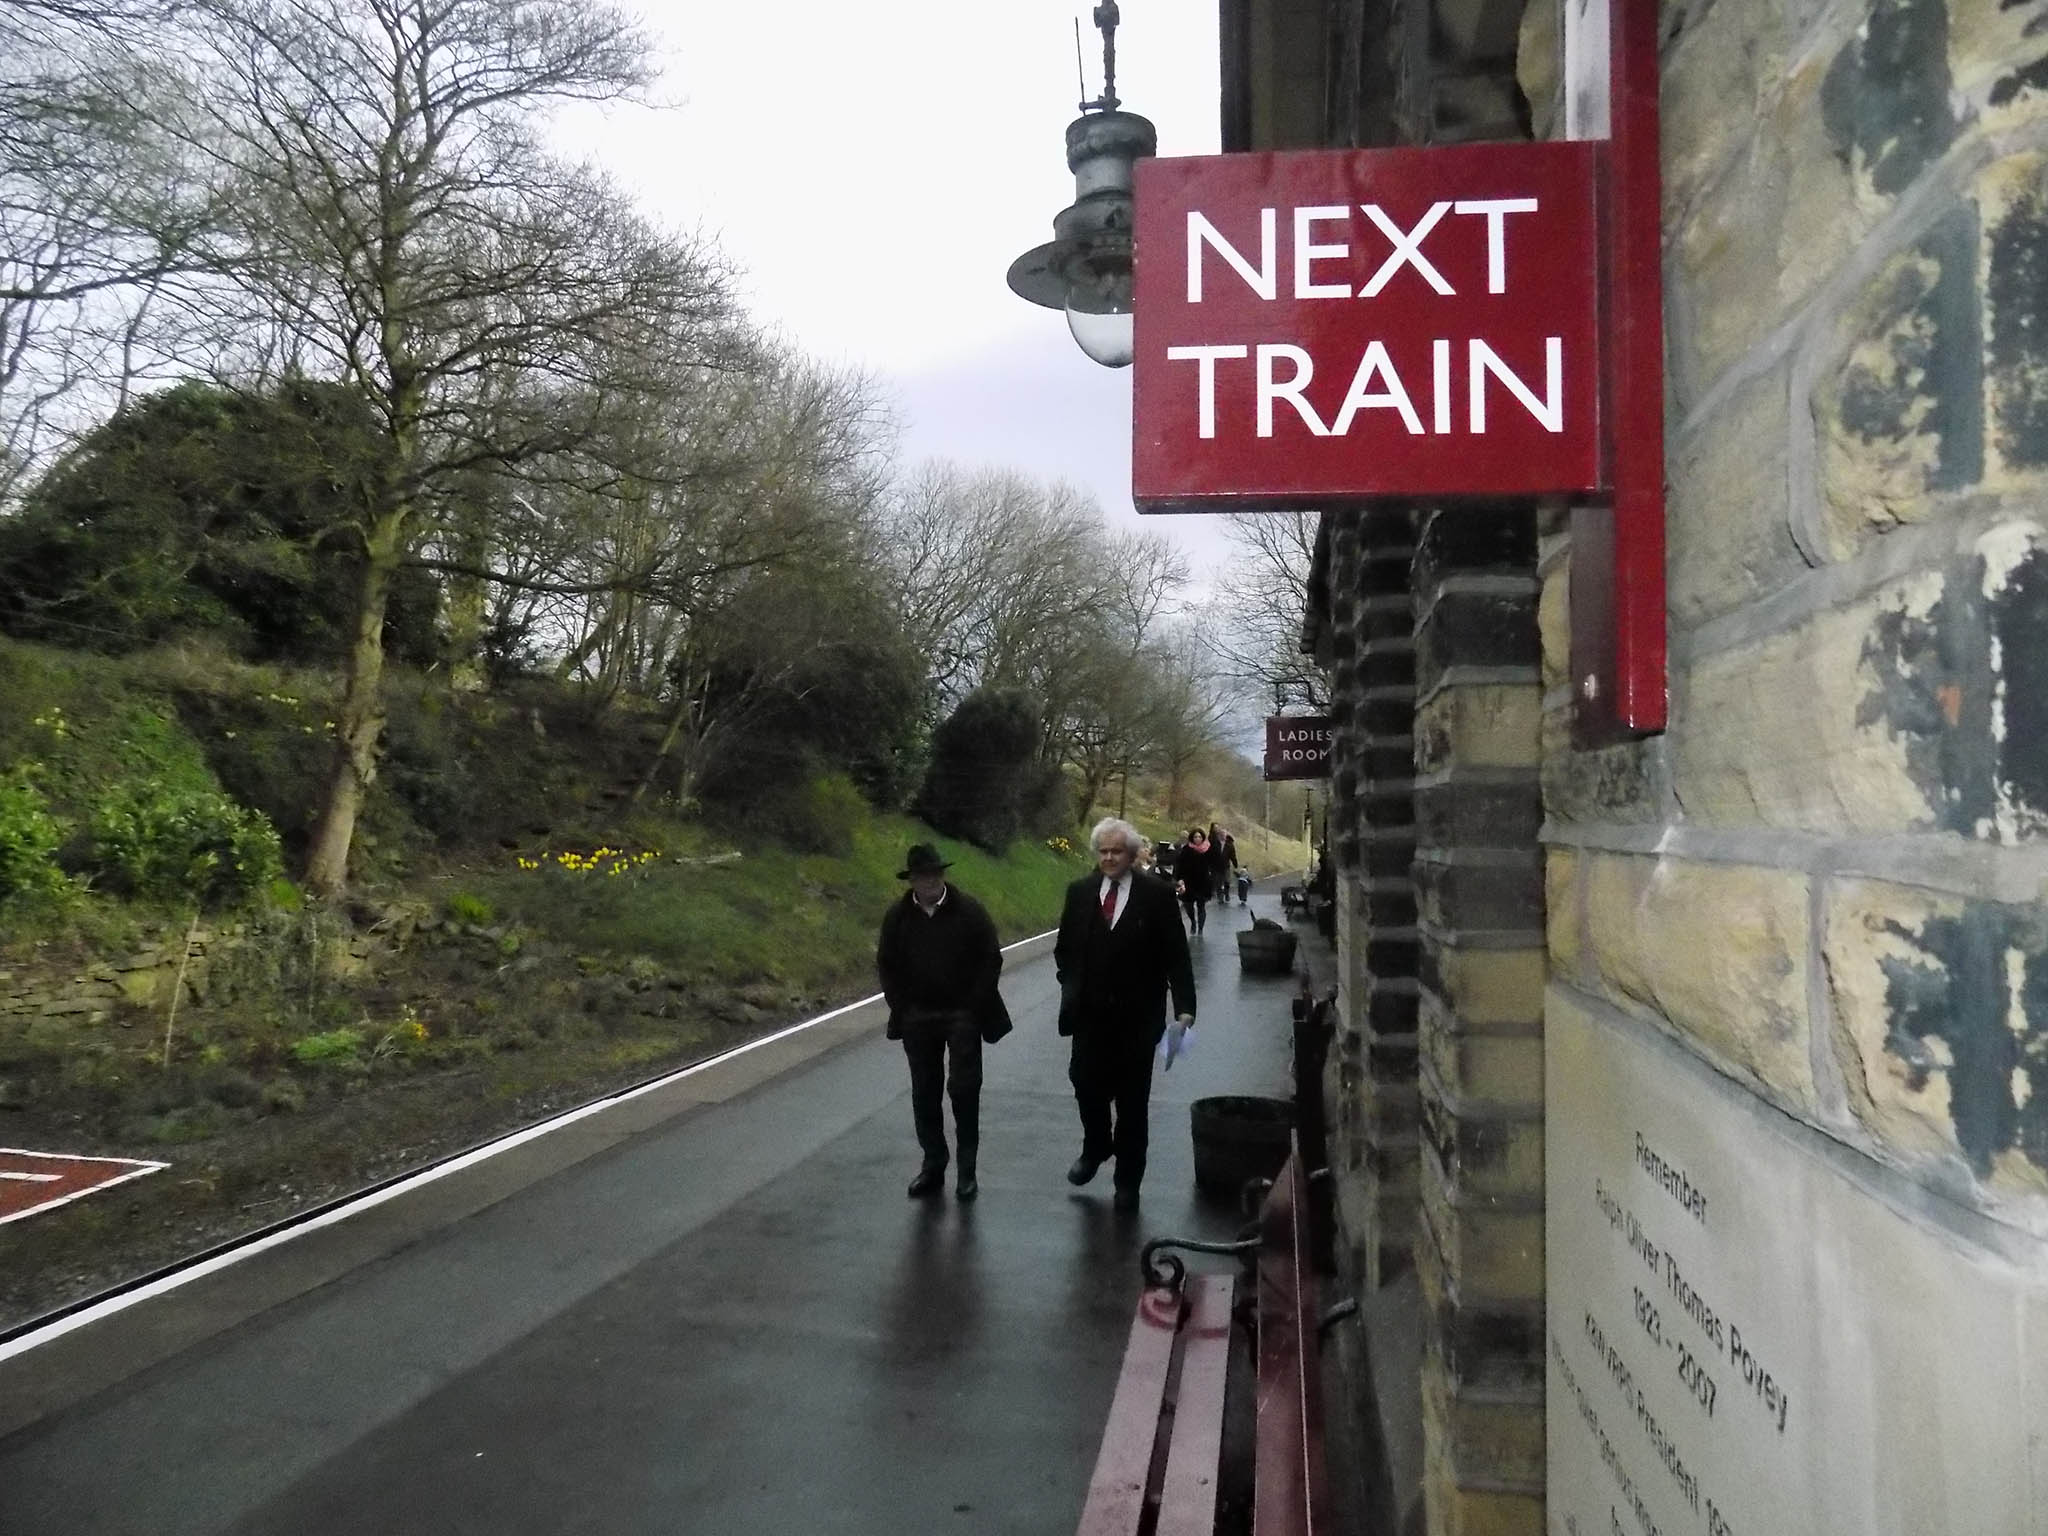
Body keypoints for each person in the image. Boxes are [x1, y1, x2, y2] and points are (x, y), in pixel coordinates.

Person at [1053, 816, 1196, 1211]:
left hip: (1138, 1018)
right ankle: (1096, 1144)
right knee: (1084, 1082)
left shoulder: (1158, 895)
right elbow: (1064, 947)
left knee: (1133, 1104)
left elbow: (1176, 957)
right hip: (1089, 1015)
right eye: (1104, 851)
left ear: (1132, 855)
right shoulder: (1079, 892)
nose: (1110, 858)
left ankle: (1128, 1182)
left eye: (1117, 851)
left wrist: (1185, 1009)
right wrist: (1071, 982)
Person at [877, 844, 1010, 1201]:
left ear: (943, 876)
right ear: (912, 880)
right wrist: (901, 1006)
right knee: (925, 1092)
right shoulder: (898, 917)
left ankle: (967, 1172)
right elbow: (886, 965)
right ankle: (933, 1165)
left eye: (935, 874)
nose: (929, 881)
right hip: (917, 1015)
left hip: (962, 1014)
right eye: (922, 876)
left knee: (964, 1091)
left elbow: (990, 958)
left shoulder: (969, 911)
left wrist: (973, 1004)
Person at [1176, 826, 1212, 933]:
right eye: (1195, 837)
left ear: (1203, 838)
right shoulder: (1186, 850)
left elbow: (1214, 862)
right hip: (1189, 881)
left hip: (1203, 882)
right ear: (1192, 838)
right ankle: (1192, 921)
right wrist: (1179, 878)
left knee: (1201, 906)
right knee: (1188, 905)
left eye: (1200, 837)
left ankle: (1200, 928)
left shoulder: (1207, 849)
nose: (1197, 839)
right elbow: (1180, 865)